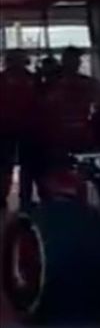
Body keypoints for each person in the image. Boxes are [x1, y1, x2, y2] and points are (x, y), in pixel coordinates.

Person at [40, 46, 100, 163]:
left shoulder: (88, 83)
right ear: (64, 61)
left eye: (77, 60)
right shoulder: (51, 84)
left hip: (81, 134)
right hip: (57, 137)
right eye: (72, 59)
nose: (76, 63)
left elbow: (99, 103)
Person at [0, 49, 38, 212]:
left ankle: (25, 197)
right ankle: (4, 196)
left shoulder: (32, 79)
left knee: (26, 166)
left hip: (27, 128)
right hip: (5, 128)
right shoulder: (2, 79)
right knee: (5, 166)